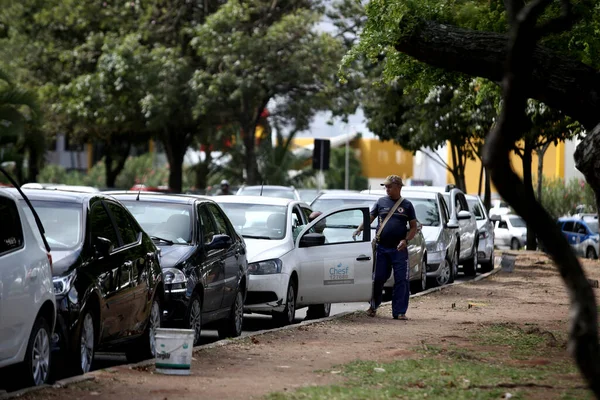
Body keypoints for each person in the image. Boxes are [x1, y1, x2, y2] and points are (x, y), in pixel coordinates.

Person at [352, 175, 417, 320]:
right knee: (378, 278)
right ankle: (373, 306)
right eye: (385, 187)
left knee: (401, 280)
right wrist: (359, 229)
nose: (386, 189)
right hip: (382, 248)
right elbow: (370, 218)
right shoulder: (381, 202)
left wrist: (406, 240)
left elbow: (413, 227)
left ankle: (399, 312)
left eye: (389, 186)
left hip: (399, 249)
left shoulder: (407, 205)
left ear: (398, 187)